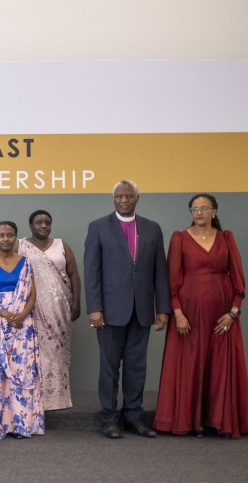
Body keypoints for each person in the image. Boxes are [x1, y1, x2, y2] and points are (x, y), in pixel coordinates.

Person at [154, 194, 248, 438]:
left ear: (214, 211)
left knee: (220, 366)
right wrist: (178, 313)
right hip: (189, 314)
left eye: (204, 208)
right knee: (192, 364)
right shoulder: (179, 238)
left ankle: (217, 420)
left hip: (223, 315)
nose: (198, 212)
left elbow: (238, 280)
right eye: (194, 208)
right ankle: (192, 421)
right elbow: (172, 280)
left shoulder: (227, 238)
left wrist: (233, 312)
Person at [84, 180, 170, 439]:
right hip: (109, 311)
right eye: (119, 196)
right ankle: (109, 418)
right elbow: (92, 271)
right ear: (113, 199)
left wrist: (162, 308)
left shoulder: (152, 228)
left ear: (137, 198)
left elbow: (160, 271)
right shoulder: (98, 226)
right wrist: (95, 308)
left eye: (128, 196)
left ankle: (134, 416)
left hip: (142, 310)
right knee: (109, 367)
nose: (124, 200)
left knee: (136, 367)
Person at [0, 221, 44, 440]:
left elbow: (32, 295)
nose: (6, 239)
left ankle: (20, 425)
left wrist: (21, 316)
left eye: (10, 235)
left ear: (16, 237)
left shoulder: (26, 263)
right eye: (1, 235)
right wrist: (6, 315)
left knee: (20, 373)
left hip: (22, 326)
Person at [17, 210, 82, 411]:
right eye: (38, 222)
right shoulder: (20, 245)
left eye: (47, 222)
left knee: (57, 351)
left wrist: (77, 301)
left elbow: (74, 275)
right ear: (30, 225)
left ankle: (58, 397)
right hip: (31, 308)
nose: (43, 226)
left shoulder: (61, 245)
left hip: (59, 307)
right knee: (33, 351)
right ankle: (34, 397)